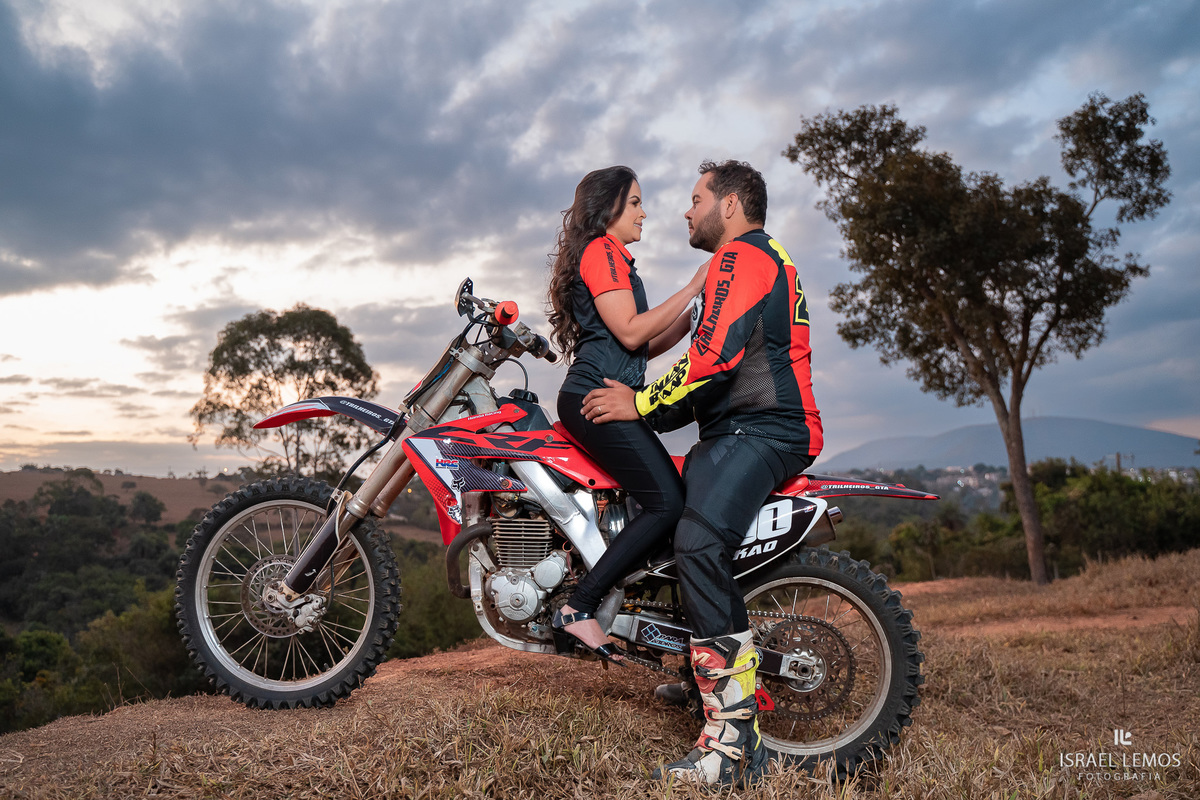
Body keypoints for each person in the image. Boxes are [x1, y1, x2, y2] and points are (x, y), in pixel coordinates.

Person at [582, 160, 823, 786]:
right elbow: (704, 367)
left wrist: (635, 405)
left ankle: (734, 744)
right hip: (735, 431)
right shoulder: (748, 261)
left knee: (696, 540)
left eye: (695, 200)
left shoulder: (742, 260)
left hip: (766, 429)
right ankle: (700, 681)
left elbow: (712, 362)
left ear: (732, 204)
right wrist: (648, 413)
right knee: (662, 527)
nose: (685, 213)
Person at [546, 165, 707, 665]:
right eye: (634, 202)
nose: (644, 212)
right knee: (666, 502)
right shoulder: (600, 252)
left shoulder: (617, 260)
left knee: (661, 500)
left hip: (612, 392)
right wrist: (696, 283)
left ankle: (623, 608)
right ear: (608, 207)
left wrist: (695, 314)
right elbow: (633, 332)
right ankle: (579, 607)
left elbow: (642, 343)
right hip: (595, 397)